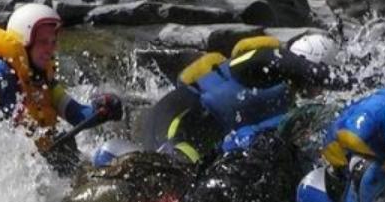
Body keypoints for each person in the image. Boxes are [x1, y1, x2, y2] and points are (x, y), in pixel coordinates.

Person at [0, 3, 122, 172]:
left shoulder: (43, 82)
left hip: (35, 170)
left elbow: (76, 114)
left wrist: (102, 110)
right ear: (24, 43)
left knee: (71, 150)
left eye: (53, 41)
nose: (51, 49)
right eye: (43, 42)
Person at [143, 33, 347, 165]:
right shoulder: (262, 63)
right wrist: (343, 79)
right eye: (319, 85)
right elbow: (281, 63)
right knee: (175, 175)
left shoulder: (288, 102)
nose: (320, 92)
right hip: (176, 119)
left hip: (190, 137)